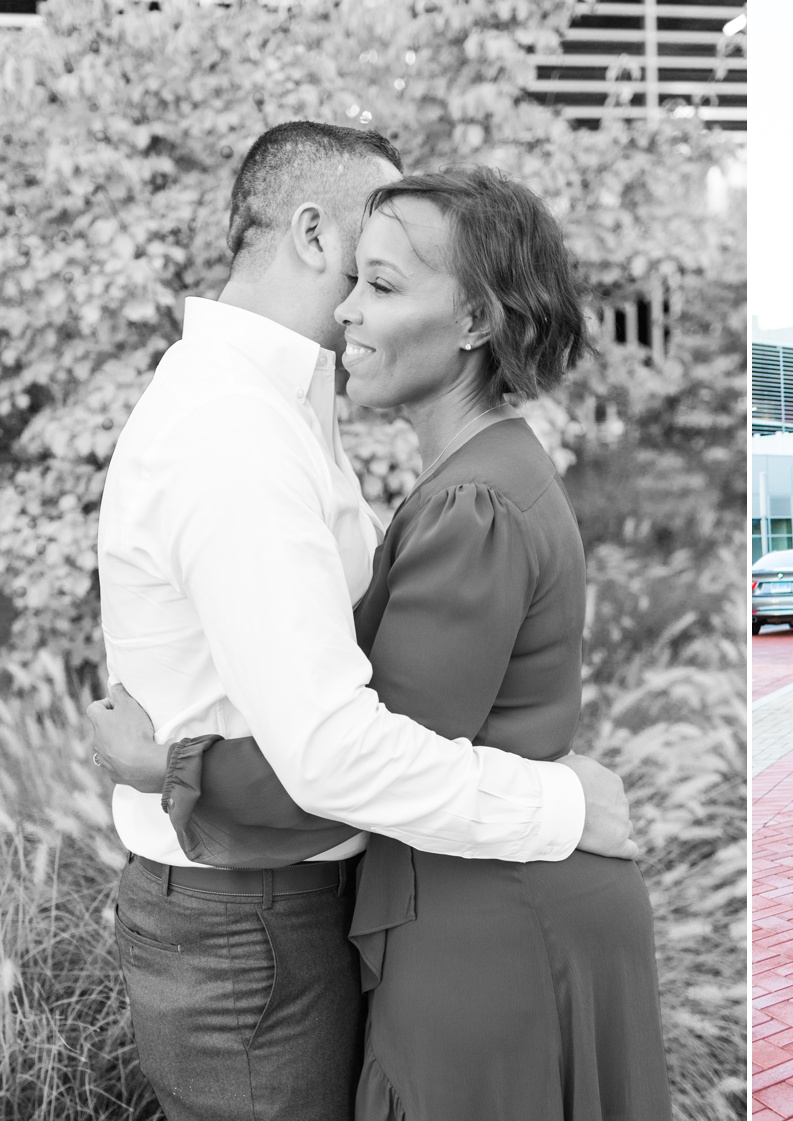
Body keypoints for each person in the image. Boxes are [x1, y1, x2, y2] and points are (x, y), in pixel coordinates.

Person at [90, 123, 636, 1121]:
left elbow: (369, 730)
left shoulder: (311, 427)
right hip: (250, 915)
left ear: (472, 319)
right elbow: (336, 751)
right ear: (311, 232)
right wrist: (560, 803)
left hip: (348, 906)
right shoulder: (235, 426)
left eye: (382, 284)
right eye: (360, 270)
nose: (351, 306)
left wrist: (163, 759)